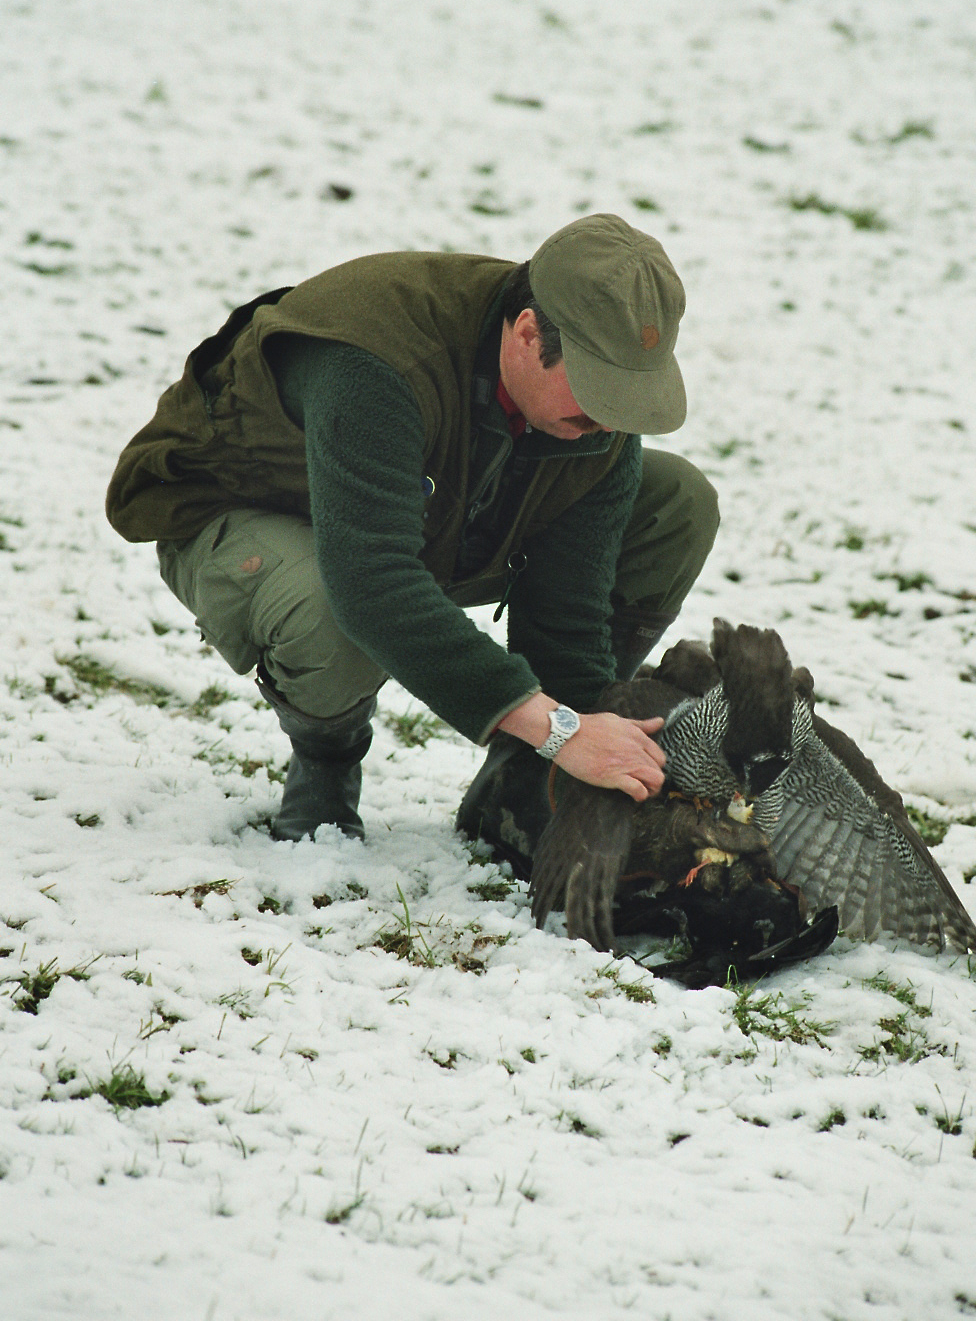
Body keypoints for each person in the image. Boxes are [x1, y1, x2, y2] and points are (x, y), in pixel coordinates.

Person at [106, 213, 719, 868]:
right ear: (528, 332)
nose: (609, 418)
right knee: (330, 606)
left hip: (424, 514)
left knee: (675, 502)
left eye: (627, 394)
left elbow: (568, 611)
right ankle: (327, 764)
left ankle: (517, 785)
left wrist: (575, 748)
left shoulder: (595, 421)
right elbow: (371, 583)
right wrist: (559, 729)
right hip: (243, 511)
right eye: (597, 387)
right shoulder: (375, 357)